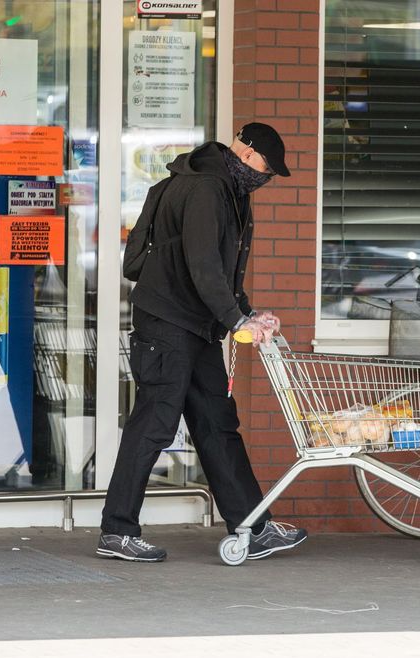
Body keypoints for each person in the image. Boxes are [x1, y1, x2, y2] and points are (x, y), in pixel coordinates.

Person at [97, 122, 307, 563]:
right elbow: (202, 264)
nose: (265, 180)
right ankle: (117, 531)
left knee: (217, 424)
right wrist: (236, 321)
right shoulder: (207, 189)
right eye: (267, 170)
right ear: (247, 155)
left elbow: (223, 268)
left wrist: (244, 313)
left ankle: (253, 525)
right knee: (153, 424)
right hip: (167, 325)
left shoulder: (228, 189)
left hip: (197, 326)